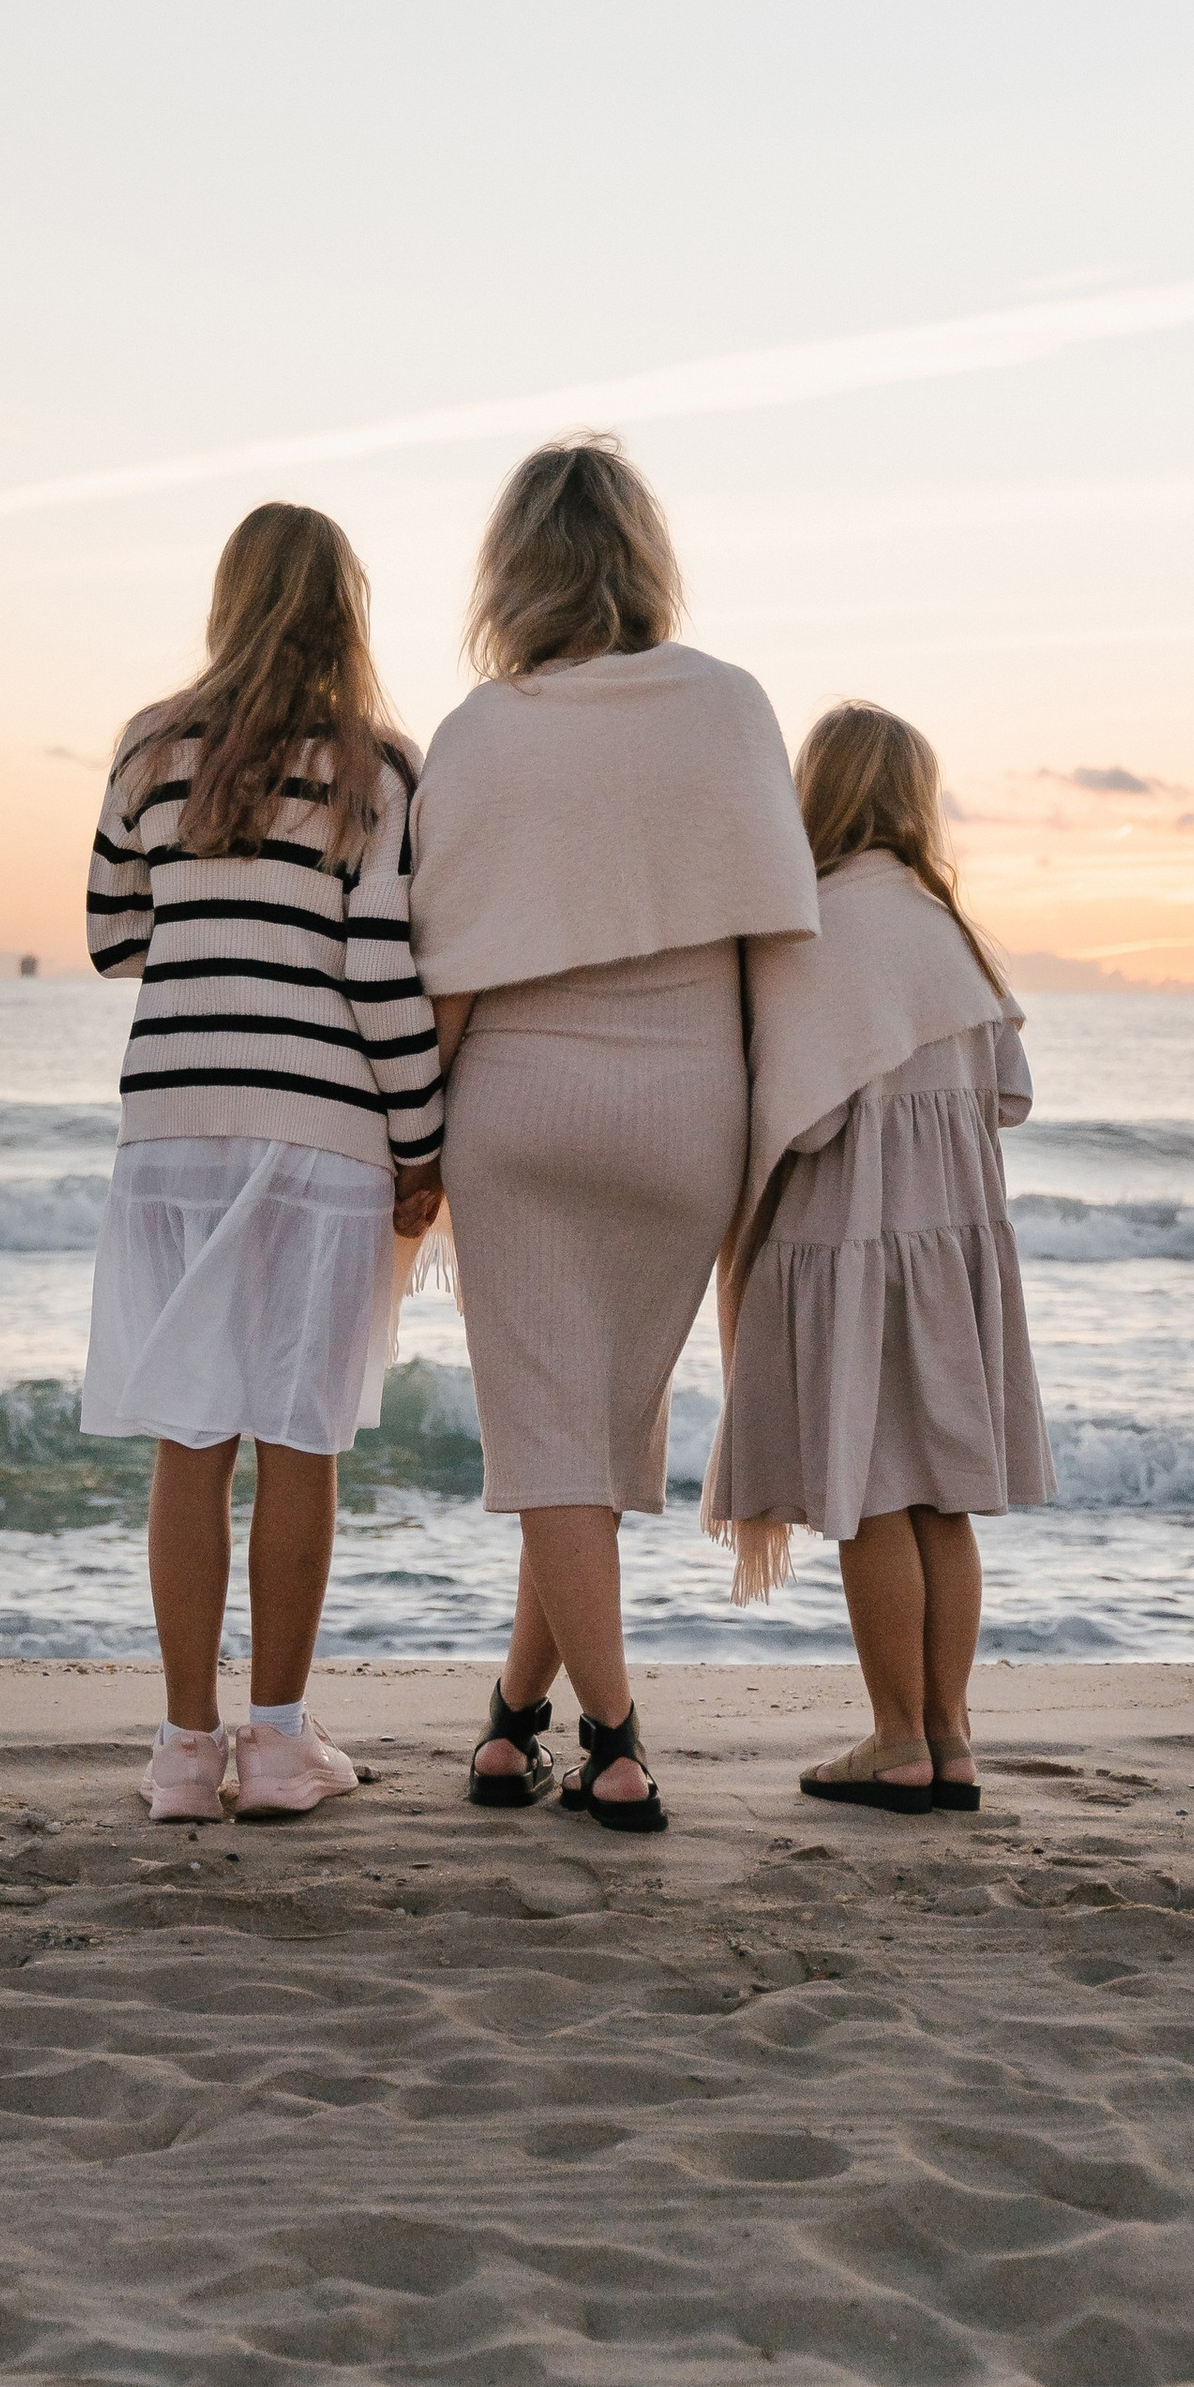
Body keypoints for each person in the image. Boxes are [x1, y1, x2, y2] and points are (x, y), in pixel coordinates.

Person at [407, 438, 818, 1833]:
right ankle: (512, 1730)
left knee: (550, 1442)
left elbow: (447, 970)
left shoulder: (485, 727)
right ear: (647, 557)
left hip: (519, 1105)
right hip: (687, 1106)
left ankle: (617, 1739)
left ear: (511, 571)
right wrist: (768, 1145)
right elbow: (781, 942)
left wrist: (415, 1150)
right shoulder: (731, 706)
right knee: (582, 1436)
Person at [80, 502, 445, 1824]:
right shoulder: (379, 772)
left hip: (175, 1122)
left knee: (191, 1435)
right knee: (301, 1439)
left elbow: (113, 933)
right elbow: (386, 978)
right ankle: (281, 1746)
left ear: (228, 601)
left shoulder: (148, 748)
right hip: (321, 1128)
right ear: (347, 608)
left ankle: (185, 1752)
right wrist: (424, 1141)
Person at [702, 699, 1054, 1814]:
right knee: (941, 1498)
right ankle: (950, 1737)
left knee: (868, 1496)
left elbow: (796, 1124)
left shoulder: (814, 926)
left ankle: (894, 1738)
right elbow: (1012, 1093)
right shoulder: (949, 928)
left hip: (846, 1249)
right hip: (951, 1257)